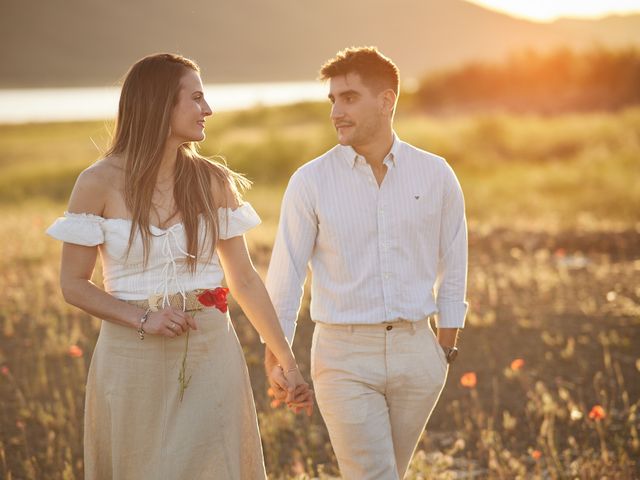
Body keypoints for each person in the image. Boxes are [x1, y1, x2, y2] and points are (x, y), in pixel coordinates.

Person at [46, 53, 312, 480]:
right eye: (197, 98)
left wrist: (287, 361)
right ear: (159, 104)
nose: (208, 110)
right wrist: (143, 317)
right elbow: (73, 285)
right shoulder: (97, 182)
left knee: (214, 465)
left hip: (211, 353)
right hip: (130, 359)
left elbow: (243, 279)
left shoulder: (212, 181)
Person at [264, 46, 468, 479]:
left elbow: (455, 264)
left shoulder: (436, 174)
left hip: (419, 353)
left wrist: (444, 349)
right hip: (344, 356)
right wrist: (279, 354)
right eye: (332, 100)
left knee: (389, 471)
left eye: (350, 97)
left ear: (386, 100)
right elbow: (286, 277)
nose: (336, 111)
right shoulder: (310, 182)